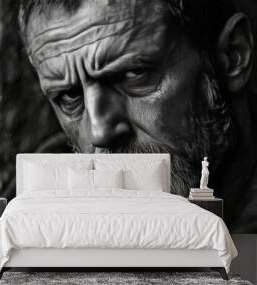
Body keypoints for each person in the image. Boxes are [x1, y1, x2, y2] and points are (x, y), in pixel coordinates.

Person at [17, 0, 257, 232]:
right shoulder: (38, 201)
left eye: (134, 74)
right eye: (69, 96)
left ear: (233, 57)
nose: (99, 132)